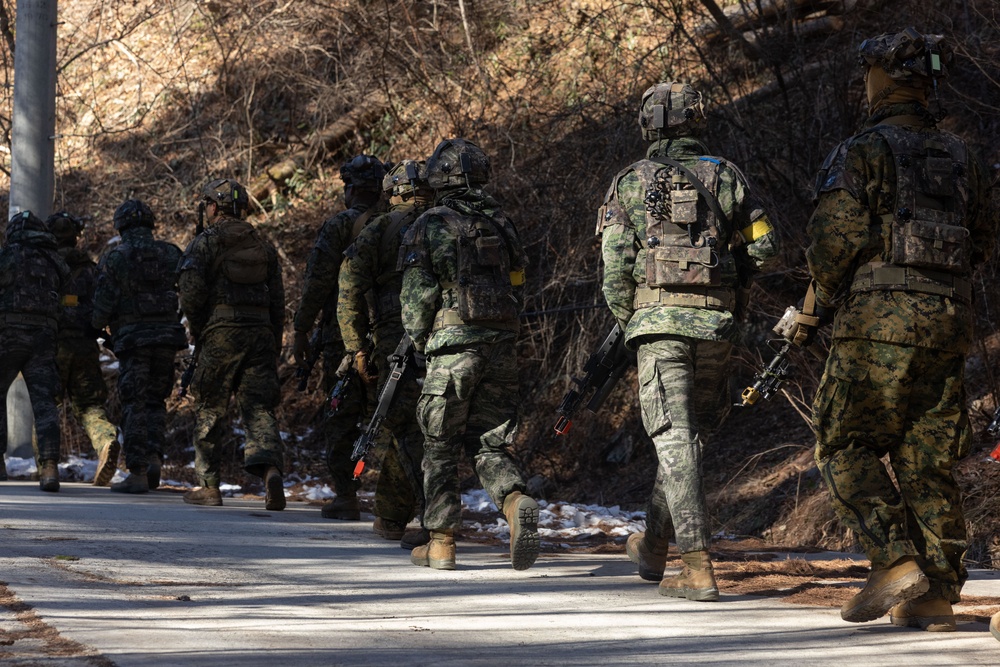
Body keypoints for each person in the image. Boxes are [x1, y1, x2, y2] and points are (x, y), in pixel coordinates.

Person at [805, 29, 995, 631]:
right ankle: (936, 594)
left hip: (874, 328)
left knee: (843, 442)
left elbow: (833, 243)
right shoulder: (963, 157)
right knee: (927, 456)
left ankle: (894, 560)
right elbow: (984, 242)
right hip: (950, 325)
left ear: (881, 81)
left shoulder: (861, 151)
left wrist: (821, 302)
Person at [598, 82, 779, 600]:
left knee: (675, 439)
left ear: (648, 125)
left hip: (658, 329)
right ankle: (654, 547)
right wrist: (726, 282)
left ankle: (697, 566)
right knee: (687, 438)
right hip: (717, 328)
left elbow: (613, 275)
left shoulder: (629, 182)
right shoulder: (726, 175)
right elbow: (766, 248)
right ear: (698, 122)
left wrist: (637, 321)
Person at [399, 138, 540, 571]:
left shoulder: (428, 223)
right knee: (489, 442)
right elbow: (517, 281)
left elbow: (416, 297)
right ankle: (516, 503)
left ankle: (441, 542)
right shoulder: (502, 223)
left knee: (439, 445)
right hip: (500, 346)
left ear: (439, 178)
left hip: (452, 348)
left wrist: (421, 344)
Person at [337, 159, 432, 548]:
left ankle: (433, 517)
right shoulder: (447, 222)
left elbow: (349, 289)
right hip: (446, 334)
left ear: (392, 192)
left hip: (396, 337)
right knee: (417, 426)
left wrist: (356, 348)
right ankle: (391, 515)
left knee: (405, 426)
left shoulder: (378, 228)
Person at [177, 178, 286, 510]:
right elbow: (278, 300)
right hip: (261, 335)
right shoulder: (264, 246)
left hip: (221, 333)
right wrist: (275, 339)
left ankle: (209, 486)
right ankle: (270, 473)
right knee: (259, 408)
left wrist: (199, 329)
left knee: (210, 407)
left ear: (213, 207)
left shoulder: (205, 242)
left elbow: (191, 292)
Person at [292, 155, 386, 520]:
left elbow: (317, 283)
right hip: (394, 337)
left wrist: (301, 329)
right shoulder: (397, 224)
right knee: (392, 418)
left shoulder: (339, 226)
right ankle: (400, 501)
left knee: (341, 418)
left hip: (342, 339)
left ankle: (347, 495)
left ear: (351, 189)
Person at [92, 200, 187, 493]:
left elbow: (102, 305)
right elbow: (190, 290)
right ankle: (155, 458)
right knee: (156, 401)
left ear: (120, 226)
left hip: (133, 341)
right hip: (167, 339)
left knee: (135, 403)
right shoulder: (171, 253)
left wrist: (97, 325)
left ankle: (137, 471)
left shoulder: (116, 257)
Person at [45, 212, 121, 486]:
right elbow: (103, 306)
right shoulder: (90, 269)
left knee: (47, 407)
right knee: (90, 405)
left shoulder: (45, 266)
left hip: (52, 347)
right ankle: (106, 442)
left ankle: (48, 464)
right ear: (76, 237)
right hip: (85, 346)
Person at [0, 210, 70, 490]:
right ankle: (50, 468)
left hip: (7, 335)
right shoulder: (54, 259)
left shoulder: (6, 255)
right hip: (43, 336)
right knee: (44, 404)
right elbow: (68, 298)